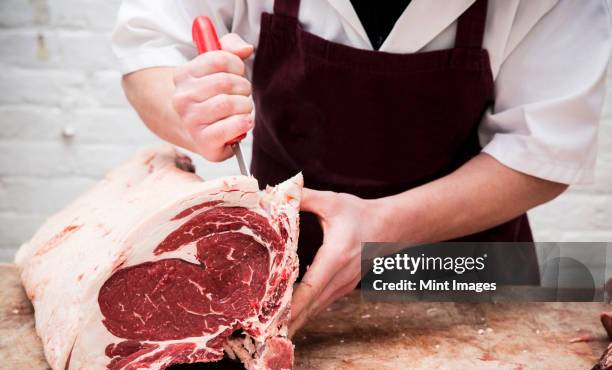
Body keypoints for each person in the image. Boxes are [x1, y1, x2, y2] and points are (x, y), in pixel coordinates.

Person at [112, 0, 611, 334]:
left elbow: (542, 151)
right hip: (280, 262)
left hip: (465, 271)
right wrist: (191, 112)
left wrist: (379, 229)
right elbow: (151, 47)